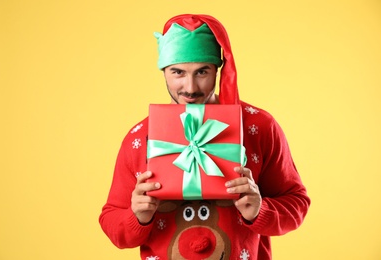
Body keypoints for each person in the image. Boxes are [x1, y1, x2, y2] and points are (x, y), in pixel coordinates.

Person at [99, 14, 310, 260]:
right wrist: (135, 216)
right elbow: (112, 223)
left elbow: (297, 204)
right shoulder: (140, 137)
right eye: (177, 72)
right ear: (163, 71)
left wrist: (260, 210)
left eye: (202, 72)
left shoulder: (258, 126)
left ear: (218, 70)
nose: (190, 87)